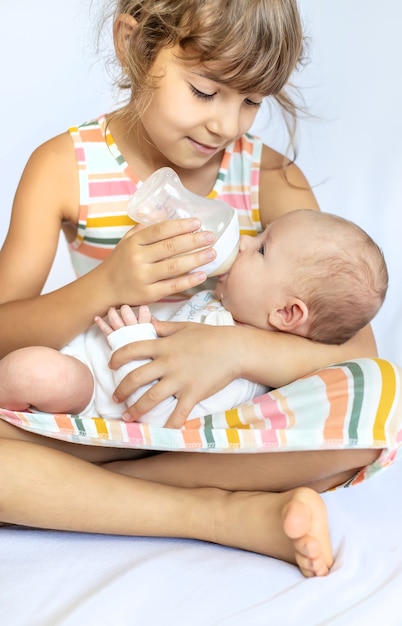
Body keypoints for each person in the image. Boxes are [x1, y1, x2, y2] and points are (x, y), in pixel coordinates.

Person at [0, 0, 389, 578]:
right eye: (207, 92)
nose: (228, 125)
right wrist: (105, 286)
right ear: (134, 44)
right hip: (96, 416)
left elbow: (356, 355)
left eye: (251, 100)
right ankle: (218, 513)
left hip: (215, 427)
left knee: (379, 403)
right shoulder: (65, 167)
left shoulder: (267, 179)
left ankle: (84, 494)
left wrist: (230, 350)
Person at [0, 209, 388, 424]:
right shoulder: (221, 305)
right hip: (79, 341)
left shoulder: (242, 383)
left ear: (287, 313)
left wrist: (128, 341)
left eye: (263, 250)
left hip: (93, 392)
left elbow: (158, 416)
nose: (247, 242)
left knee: (31, 372)